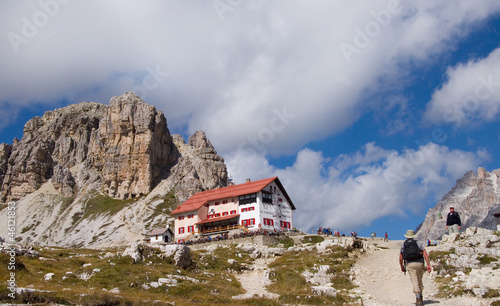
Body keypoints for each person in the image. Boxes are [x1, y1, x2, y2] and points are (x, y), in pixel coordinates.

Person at [399, 229, 432, 306]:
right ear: (413, 236)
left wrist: (402, 266)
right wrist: (428, 264)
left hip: (410, 265)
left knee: (414, 280)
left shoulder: (404, 244)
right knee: (419, 279)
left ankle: (418, 299)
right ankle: (421, 295)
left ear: (407, 236)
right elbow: (425, 253)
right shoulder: (418, 243)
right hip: (420, 263)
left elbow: (401, 257)